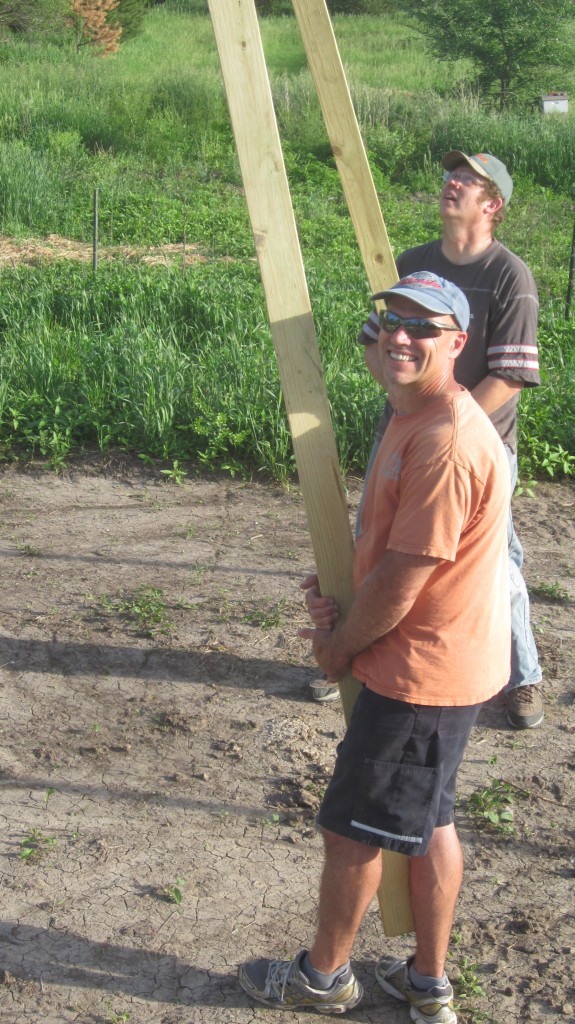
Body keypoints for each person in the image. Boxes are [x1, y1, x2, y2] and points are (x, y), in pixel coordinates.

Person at [239, 272, 511, 1023]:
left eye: (422, 328)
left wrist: (336, 647)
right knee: (428, 822)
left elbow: (405, 579)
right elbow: (393, 555)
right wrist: (346, 580)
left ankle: (323, 980)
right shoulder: (412, 413)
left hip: (421, 670)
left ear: (456, 344)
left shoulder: (446, 438)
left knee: (353, 827)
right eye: (388, 321)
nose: (398, 336)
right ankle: (426, 986)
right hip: (441, 659)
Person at [311, 151, 543, 730]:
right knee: (375, 541)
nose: (451, 182)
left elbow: (510, 376)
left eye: (468, 179)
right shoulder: (413, 264)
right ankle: (351, 650)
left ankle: (523, 677)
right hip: (403, 434)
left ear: (493, 205)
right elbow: (376, 338)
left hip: (478, 446)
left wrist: (443, 419)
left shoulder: (508, 274)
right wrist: (403, 402)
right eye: (449, 174)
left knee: (496, 566)